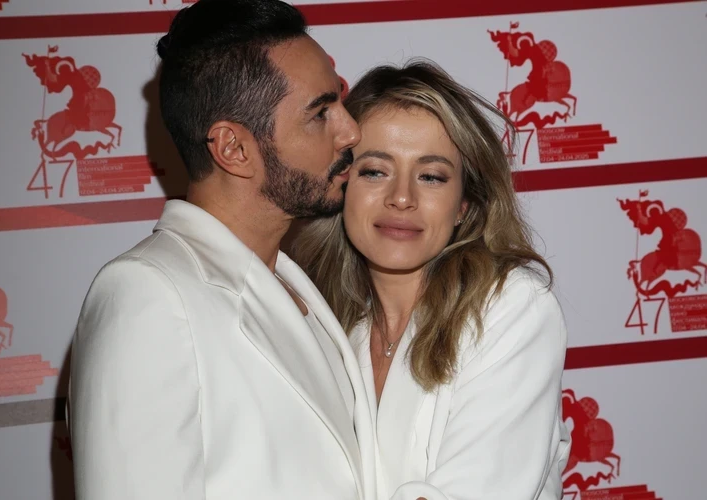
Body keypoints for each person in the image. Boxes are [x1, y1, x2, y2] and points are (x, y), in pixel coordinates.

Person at [66, 1, 377, 499]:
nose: (351, 130)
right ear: (233, 148)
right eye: (320, 113)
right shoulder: (147, 296)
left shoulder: (293, 281)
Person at [292, 60, 571, 500]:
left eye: (431, 176)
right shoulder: (322, 323)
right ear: (341, 186)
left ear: (463, 205)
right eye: (375, 171)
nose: (402, 197)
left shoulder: (512, 307)